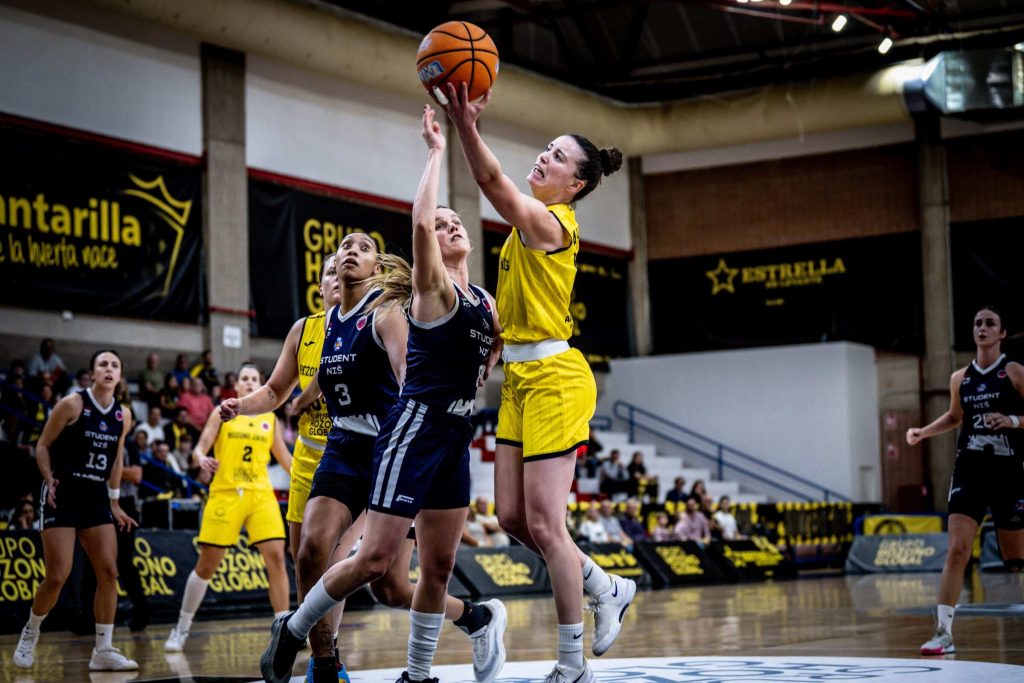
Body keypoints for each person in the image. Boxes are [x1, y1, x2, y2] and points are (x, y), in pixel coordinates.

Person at [261, 107, 507, 683]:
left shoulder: (480, 301)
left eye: (455, 222)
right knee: (353, 558)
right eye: (440, 222)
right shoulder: (418, 292)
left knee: (419, 576)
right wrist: (436, 151)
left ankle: (436, 655)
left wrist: (485, 364)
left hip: (449, 432)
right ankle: (302, 638)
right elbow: (419, 229)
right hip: (395, 433)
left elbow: (485, 350)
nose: (447, 226)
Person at [443, 81, 631, 681]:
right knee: (511, 518)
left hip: (556, 377)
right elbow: (517, 310)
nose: (543, 158)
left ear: (574, 184)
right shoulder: (523, 235)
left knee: (548, 525)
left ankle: (572, 661)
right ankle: (605, 583)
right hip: (522, 378)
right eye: (545, 149)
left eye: (556, 157)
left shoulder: (552, 223)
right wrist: (495, 347)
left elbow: (493, 185)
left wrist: (464, 126)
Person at [906, 306, 1024, 656]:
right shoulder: (960, 378)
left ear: (1002, 333)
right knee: (957, 549)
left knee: (1016, 561)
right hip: (970, 470)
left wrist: (1013, 421)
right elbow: (955, 416)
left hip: (1008, 473)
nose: (982, 328)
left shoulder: (1015, 372)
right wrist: (923, 432)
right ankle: (943, 633)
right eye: (977, 323)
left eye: (990, 323)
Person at [12, 350, 138, 672]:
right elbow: (42, 446)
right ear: (92, 373)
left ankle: (103, 650)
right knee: (57, 575)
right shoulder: (72, 404)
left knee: (108, 571)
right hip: (63, 492)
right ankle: (31, 631)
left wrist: (113, 501)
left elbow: (116, 459)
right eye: (103, 365)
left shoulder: (123, 415)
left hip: (95, 495)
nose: (109, 369)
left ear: (120, 376)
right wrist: (49, 478)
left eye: (114, 365)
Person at [164, 363, 293, 652]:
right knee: (208, 563)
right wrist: (201, 459)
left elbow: (285, 459)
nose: (249, 383)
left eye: (254, 379)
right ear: (237, 386)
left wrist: (310, 478)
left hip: (260, 494)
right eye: (244, 378)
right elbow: (200, 448)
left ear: (261, 385)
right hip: (226, 492)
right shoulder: (221, 413)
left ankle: (282, 631)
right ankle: (181, 628)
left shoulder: (270, 419)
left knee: (275, 558)